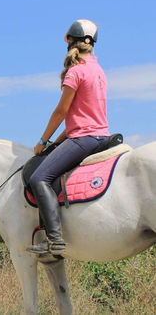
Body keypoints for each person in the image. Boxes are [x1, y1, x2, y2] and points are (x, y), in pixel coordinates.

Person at [27, 19, 110, 256]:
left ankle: (54, 240)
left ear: (69, 41)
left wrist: (43, 142)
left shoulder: (76, 72)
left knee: (39, 178)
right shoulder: (98, 70)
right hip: (100, 135)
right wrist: (57, 142)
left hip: (84, 138)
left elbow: (61, 111)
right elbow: (82, 115)